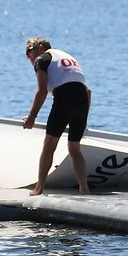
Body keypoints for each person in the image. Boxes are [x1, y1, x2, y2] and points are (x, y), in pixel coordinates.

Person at [22, 37, 91, 196]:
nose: (28, 57)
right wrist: (83, 119)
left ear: (40, 47)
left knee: (49, 146)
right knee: (74, 148)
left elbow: (42, 91)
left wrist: (32, 117)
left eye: (29, 51)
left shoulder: (42, 59)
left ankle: (39, 188)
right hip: (82, 102)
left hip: (64, 101)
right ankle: (84, 189)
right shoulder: (65, 56)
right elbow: (87, 91)